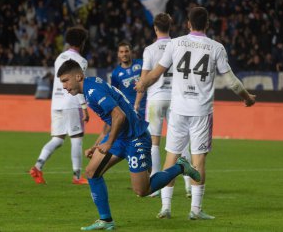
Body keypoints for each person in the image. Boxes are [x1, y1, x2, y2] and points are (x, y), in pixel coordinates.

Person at [135, 7, 256, 220]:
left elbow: (155, 74)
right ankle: (195, 210)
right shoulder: (215, 48)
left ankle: (165, 207)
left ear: (188, 24)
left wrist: (142, 84)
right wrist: (247, 98)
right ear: (207, 24)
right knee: (198, 160)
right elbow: (231, 81)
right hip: (201, 112)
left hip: (178, 110)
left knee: (171, 157)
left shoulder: (175, 43)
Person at [57, 60, 201, 231]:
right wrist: (97, 145)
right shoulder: (90, 87)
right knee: (91, 172)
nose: (64, 86)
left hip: (136, 138)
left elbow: (119, 116)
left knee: (142, 190)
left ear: (78, 76)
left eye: (66, 80)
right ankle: (106, 220)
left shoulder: (93, 91)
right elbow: (110, 119)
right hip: (120, 137)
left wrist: (108, 143)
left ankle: (180, 167)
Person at [134, 13, 192, 200]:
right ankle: (189, 185)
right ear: (171, 26)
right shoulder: (178, 45)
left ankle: (156, 185)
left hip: (156, 100)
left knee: (154, 143)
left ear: (155, 28)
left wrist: (136, 102)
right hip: (176, 99)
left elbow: (145, 79)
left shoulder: (149, 50)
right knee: (181, 140)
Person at [29, 26, 90, 185]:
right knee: (76, 138)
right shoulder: (81, 61)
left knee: (58, 139)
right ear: (82, 42)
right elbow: (78, 84)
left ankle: (37, 166)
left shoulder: (59, 58)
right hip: (71, 102)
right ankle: (77, 176)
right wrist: (84, 107)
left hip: (56, 102)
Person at [111, 41, 147, 119]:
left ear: (131, 52)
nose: (124, 54)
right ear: (118, 54)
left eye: (126, 51)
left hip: (146, 107)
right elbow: (114, 93)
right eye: (121, 52)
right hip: (129, 110)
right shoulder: (115, 73)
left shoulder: (142, 64)